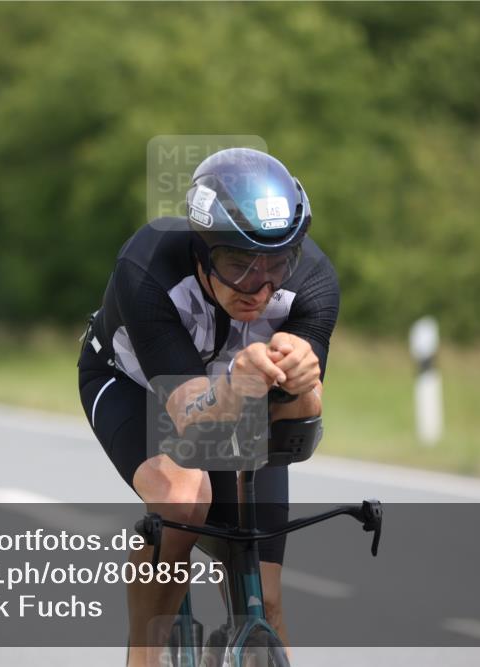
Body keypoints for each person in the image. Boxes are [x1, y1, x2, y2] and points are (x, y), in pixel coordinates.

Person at [77, 148, 339, 665]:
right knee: (182, 498)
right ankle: (144, 655)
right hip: (134, 383)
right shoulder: (147, 264)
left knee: (267, 599)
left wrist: (306, 381)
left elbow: (299, 427)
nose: (258, 288)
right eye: (237, 266)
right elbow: (190, 416)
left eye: (275, 266)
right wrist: (234, 386)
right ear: (201, 251)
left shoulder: (313, 283)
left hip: (237, 395)